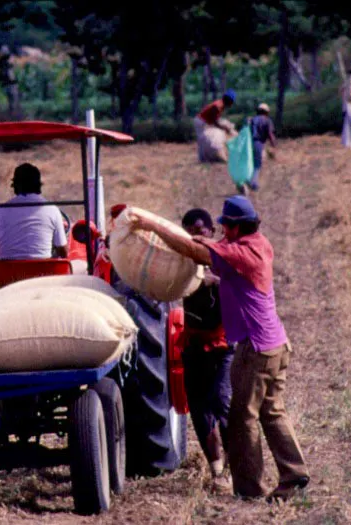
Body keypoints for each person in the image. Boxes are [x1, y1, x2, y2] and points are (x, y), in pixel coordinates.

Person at [127, 196, 309, 501]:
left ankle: (250, 488)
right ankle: (295, 473)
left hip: (257, 349)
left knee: (242, 417)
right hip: (277, 343)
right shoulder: (259, 244)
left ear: (237, 227)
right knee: (272, 410)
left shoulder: (239, 253)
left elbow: (192, 251)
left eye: (225, 225)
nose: (222, 229)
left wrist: (150, 225)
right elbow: (204, 248)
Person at [179, 209, 234, 494]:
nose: (196, 236)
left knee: (222, 401)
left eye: (201, 230)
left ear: (212, 230)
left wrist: (215, 281)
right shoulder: (181, 264)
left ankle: (239, 466)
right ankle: (217, 471)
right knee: (199, 409)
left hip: (223, 343)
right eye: (190, 232)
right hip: (193, 343)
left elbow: (242, 287)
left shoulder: (225, 257)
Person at [0, 163, 68, 292]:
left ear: (15, 186)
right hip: (43, 276)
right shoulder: (52, 210)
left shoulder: (1, 210)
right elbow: (63, 252)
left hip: (8, 278)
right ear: (39, 186)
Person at [194, 90, 237, 162]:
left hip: (205, 122)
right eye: (231, 102)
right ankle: (203, 158)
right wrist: (225, 128)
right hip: (201, 122)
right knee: (202, 138)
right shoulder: (217, 106)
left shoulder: (221, 105)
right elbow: (215, 122)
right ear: (229, 100)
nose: (231, 104)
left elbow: (215, 120)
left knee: (205, 139)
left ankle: (205, 157)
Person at [246, 103, 277, 193]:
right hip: (258, 143)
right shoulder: (267, 121)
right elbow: (270, 134)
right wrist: (273, 144)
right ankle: (253, 184)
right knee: (257, 164)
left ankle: (247, 180)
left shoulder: (252, 120)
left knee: (249, 163)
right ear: (266, 112)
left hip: (248, 143)